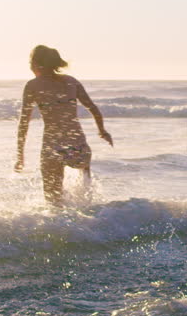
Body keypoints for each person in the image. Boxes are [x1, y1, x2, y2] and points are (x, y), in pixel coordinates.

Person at [15, 45, 113, 207]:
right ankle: (93, 226)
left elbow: (24, 123)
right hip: (78, 144)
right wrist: (102, 131)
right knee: (86, 198)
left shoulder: (33, 86)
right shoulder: (71, 82)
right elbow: (93, 108)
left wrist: (20, 156)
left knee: (53, 201)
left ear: (35, 63)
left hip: (53, 146)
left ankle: (63, 228)